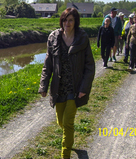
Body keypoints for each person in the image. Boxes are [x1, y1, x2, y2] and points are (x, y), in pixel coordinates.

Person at [38, 8, 95, 159]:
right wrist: (43, 85)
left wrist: (84, 88)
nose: (67, 23)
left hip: (75, 88)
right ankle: (69, 138)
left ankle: (65, 154)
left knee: (68, 123)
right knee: (61, 122)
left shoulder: (82, 38)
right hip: (59, 88)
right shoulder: (53, 37)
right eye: (64, 20)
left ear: (76, 22)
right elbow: (47, 64)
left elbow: (90, 66)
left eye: (70, 20)